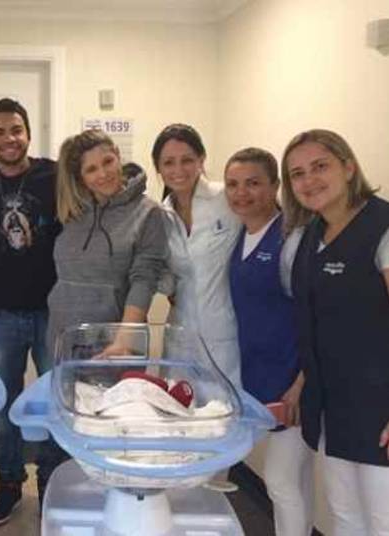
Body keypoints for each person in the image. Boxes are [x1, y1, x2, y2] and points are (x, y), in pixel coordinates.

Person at [281, 129, 389, 536]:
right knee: (344, 515)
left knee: (385, 521)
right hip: (331, 404)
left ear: (348, 167)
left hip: (380, 406)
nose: (309, 181)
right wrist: (301, 383)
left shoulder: (384, 228)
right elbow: (320, 323)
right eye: (297, 174)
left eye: (320, 167)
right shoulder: (310, 235)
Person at [0, 98, 63, 525]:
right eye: (0, 131)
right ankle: (8, 481)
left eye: (16, 129)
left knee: (55, 404)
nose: (10, 138)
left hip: (51, 311)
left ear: (28, 133)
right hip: (3, 312)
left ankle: (50, 482)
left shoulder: (54, 174)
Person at [224, 147, 313, 535]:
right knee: (291, 482)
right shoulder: (239, 235)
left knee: (280, 480)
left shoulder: (291, 239)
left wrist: (301, 384)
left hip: (293, 382)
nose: (242, 193)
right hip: (257, 379)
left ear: (275, 185)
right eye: (233, 184)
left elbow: (316, 319)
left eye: (254, 183)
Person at [152, 123, 241, 492]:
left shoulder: (226, 199)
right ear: (158, 167)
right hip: (180, 337)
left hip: (225, 335)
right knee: (180, 427)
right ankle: (183, 506)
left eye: (187, 159)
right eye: (168, 162)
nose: (178, 169)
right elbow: (166, 275)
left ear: (202, 160)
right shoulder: (161, 214)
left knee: (222, 430)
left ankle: (214, 504)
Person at [47, 129, 167, 352]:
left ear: (118, 155)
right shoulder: (71, 212)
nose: (103, 173)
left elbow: (144, 281)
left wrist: (124, 341)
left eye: (107, 161)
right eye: (91, 169)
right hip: (64, 340)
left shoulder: (148, 213)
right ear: (81, 177)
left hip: (115, 344)